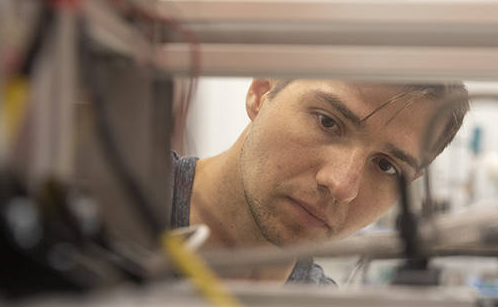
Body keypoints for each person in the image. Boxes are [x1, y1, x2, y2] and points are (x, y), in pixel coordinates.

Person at [170, 78, 468, 285]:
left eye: (385, 166)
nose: (341, 185)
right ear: (261, 92)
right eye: (328, 122)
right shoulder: (139, 205)